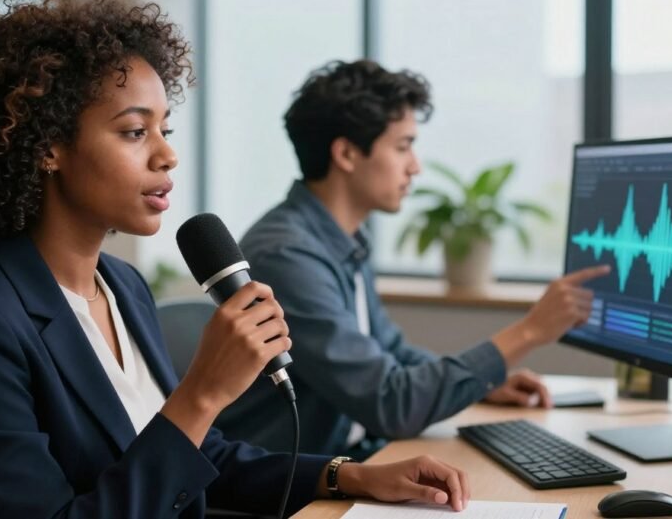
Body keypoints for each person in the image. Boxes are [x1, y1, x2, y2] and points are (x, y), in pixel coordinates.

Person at [0, 0, 473, 519]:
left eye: (165, 128)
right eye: (134, 132)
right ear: (47, 146)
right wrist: (203, 392)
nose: (168, 154)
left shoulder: (121, 285)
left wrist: (351, 477)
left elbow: (198, 459)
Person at [216, 59, 611, 457]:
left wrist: (485, 381)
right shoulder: (288, 255)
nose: (415, 166)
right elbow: (390, 404)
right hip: (288, 493)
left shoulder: (341, 238)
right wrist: (528, 332)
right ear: (347, 154)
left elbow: (392, 355)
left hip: (345, 462)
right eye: (403, 146)